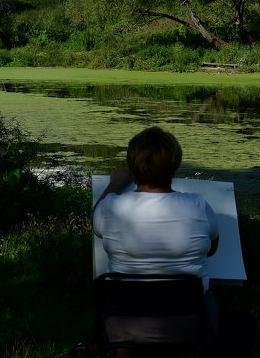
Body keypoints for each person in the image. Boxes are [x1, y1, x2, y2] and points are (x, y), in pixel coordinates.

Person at [93, 127, 220, 345]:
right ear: (175, 164)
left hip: (124, 319)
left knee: (124, 342)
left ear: (133, 166)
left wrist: (115, 183)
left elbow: (95, 222)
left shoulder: (110, 207)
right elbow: (212, 249)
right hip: (187, 320)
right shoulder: (198, 204)